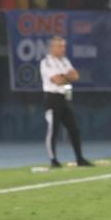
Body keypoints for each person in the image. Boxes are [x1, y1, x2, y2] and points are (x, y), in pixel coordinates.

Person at [40, 36, 93, 168]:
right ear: (52, 47)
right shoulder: (46, 62)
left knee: (74, 129)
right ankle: (53, 160)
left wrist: (64, 77)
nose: (63, 49)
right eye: (60, 46)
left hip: (65, 98)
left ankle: (79, 159)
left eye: (64, 46)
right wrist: (66, 77)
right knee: (53, 130)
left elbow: (76, 76)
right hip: (52, 99)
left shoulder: (65, 61)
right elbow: (57, 80)